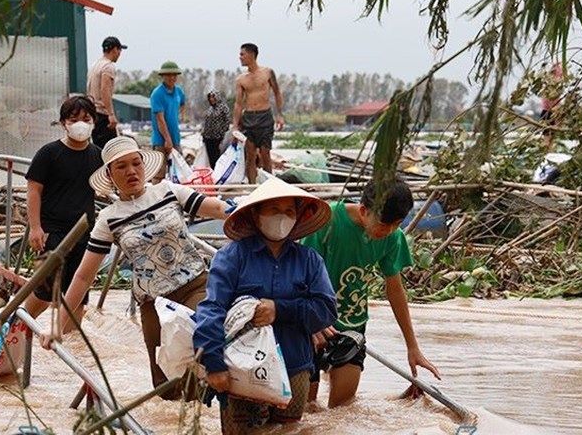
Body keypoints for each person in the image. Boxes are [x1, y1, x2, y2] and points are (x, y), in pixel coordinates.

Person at [40, 136, 230, 400]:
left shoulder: (168, 191)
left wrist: (247, 212)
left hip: (195, 287)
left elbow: (218, 208)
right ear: (109, 175)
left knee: (207, 346)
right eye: (121, 167)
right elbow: (83, 276)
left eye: (135, 163)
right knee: (169, 388)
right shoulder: (109, 218)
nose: (131, 171)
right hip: (153, 303)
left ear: (144, 165)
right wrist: (58, 326)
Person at [194, 177, 337, 433]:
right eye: (273, 210)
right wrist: (213, 362)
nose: (282, 217)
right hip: (239, 369)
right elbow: (212, 309)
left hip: (295, 368)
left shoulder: (309, 261)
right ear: (255, 215)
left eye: (289, 211)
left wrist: (279, 309)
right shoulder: (232, 257)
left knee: (288, 431)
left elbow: (326, 310)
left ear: (297, 217)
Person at [300, 178, 441, 408]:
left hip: (352, 325)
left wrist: (412, 347)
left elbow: (395, 290)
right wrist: (310, 322)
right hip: (311, 324)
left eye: (397, 224)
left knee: (342, 410)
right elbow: (299, 274)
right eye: (384, 224)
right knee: (306, 408)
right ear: (364, 211)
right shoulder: (328, 221)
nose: (390, 231)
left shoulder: (393, 237)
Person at [22, 95, 103, 325]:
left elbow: (106, 186)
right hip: (53, 233)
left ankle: (67, 351)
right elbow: (34, 190)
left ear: (94, 122)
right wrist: (35, 228)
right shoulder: (49, 153)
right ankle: (18, 331)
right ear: (63, 123)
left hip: (84, 236)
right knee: (43, 295)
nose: (80, 123)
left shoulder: (97, 155)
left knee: (77, 300)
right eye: (74, 118)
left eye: (86, 118)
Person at [233, 43, 284, 184]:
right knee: (250, 155)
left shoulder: (267, 72)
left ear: (251, 54)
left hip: (265, 117)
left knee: (265, 154)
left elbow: (277, 93)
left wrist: (280, 115)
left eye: (242, 54)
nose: (240, 57)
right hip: (249, 117)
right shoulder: (241, 79)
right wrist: (235, 125)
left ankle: (270, 185)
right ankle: (252, 187)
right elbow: (238, 103)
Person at [87, 36, 127, 148]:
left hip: (93, 112)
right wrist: (111, 115)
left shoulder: (95, 65)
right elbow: (105, 90)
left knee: (98, 148)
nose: (119, 54)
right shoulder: (108, 67)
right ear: (115, 49)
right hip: (103, 114)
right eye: (119, 50)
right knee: (110, 151)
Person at [150, 61, 185, 183]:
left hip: (175, 137)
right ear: (163, 76)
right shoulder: (157, 94)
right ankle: (157, 198)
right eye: (169, 75)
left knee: (180, 170)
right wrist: (167, 139)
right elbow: (160, 119)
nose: (172, 78)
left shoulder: (178, 91)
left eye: (174, 75)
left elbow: (182, 103)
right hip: (161, 140)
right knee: (159, 172)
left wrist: (176, 115)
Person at [201, 89, 231, 169]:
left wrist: (223, 135)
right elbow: (206, 122)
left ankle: (219, 173)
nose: (212, 99)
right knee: (211, 157)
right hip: (208, 137)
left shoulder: (223, 107)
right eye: (210, 97)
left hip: (218, 138)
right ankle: (212, 173)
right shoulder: (210, 109)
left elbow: (227, 122)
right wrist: (203, 133)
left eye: (213, 97)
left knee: (218, 157)